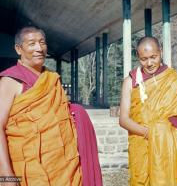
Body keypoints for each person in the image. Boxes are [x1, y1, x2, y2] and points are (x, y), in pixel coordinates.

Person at [0, 26, 102, 186]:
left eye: (42, 43)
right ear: (18, 49)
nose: (39, 48)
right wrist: (6, 176)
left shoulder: (52, 78)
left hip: (65, 167)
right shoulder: (10, 81)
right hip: (29, 170)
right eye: (32, 43)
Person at [119, 36, 177, 186]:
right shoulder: (130, 81)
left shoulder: (174, 79)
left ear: (160, 52)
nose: (149, 63)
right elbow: (123, 119)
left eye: (153, 57)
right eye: (144, 59)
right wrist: (149, 133)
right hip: (142, 144)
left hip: (172, 150)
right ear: (138, 57)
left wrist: (164, 132)